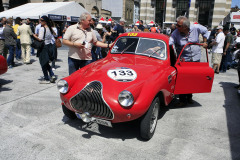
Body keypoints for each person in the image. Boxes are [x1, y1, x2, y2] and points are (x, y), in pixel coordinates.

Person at [169, 16, 209, 107]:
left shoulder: (196, 27)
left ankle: (189, 97)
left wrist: (205, 41)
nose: (176, 27)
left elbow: (206, 31)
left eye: (178, 26)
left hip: (195, 58)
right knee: (182, 79)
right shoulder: (175, 33)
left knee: (192, 78)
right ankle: (182, 100)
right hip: (184, 59)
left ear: (185, 27)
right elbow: (170, 42)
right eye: (176, 25)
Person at [32, 16, 56, 84]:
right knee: (46, 63)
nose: (40, 21)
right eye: (40, 20)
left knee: (43, 63)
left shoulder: (42, 29)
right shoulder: (50, 28)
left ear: (45, 21)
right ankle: (52, 75)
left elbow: (40, 39)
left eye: (41, 20)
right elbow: (55, 34)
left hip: (43, 47)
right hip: (49, 46)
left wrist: (34, 35)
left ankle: (46, 78)